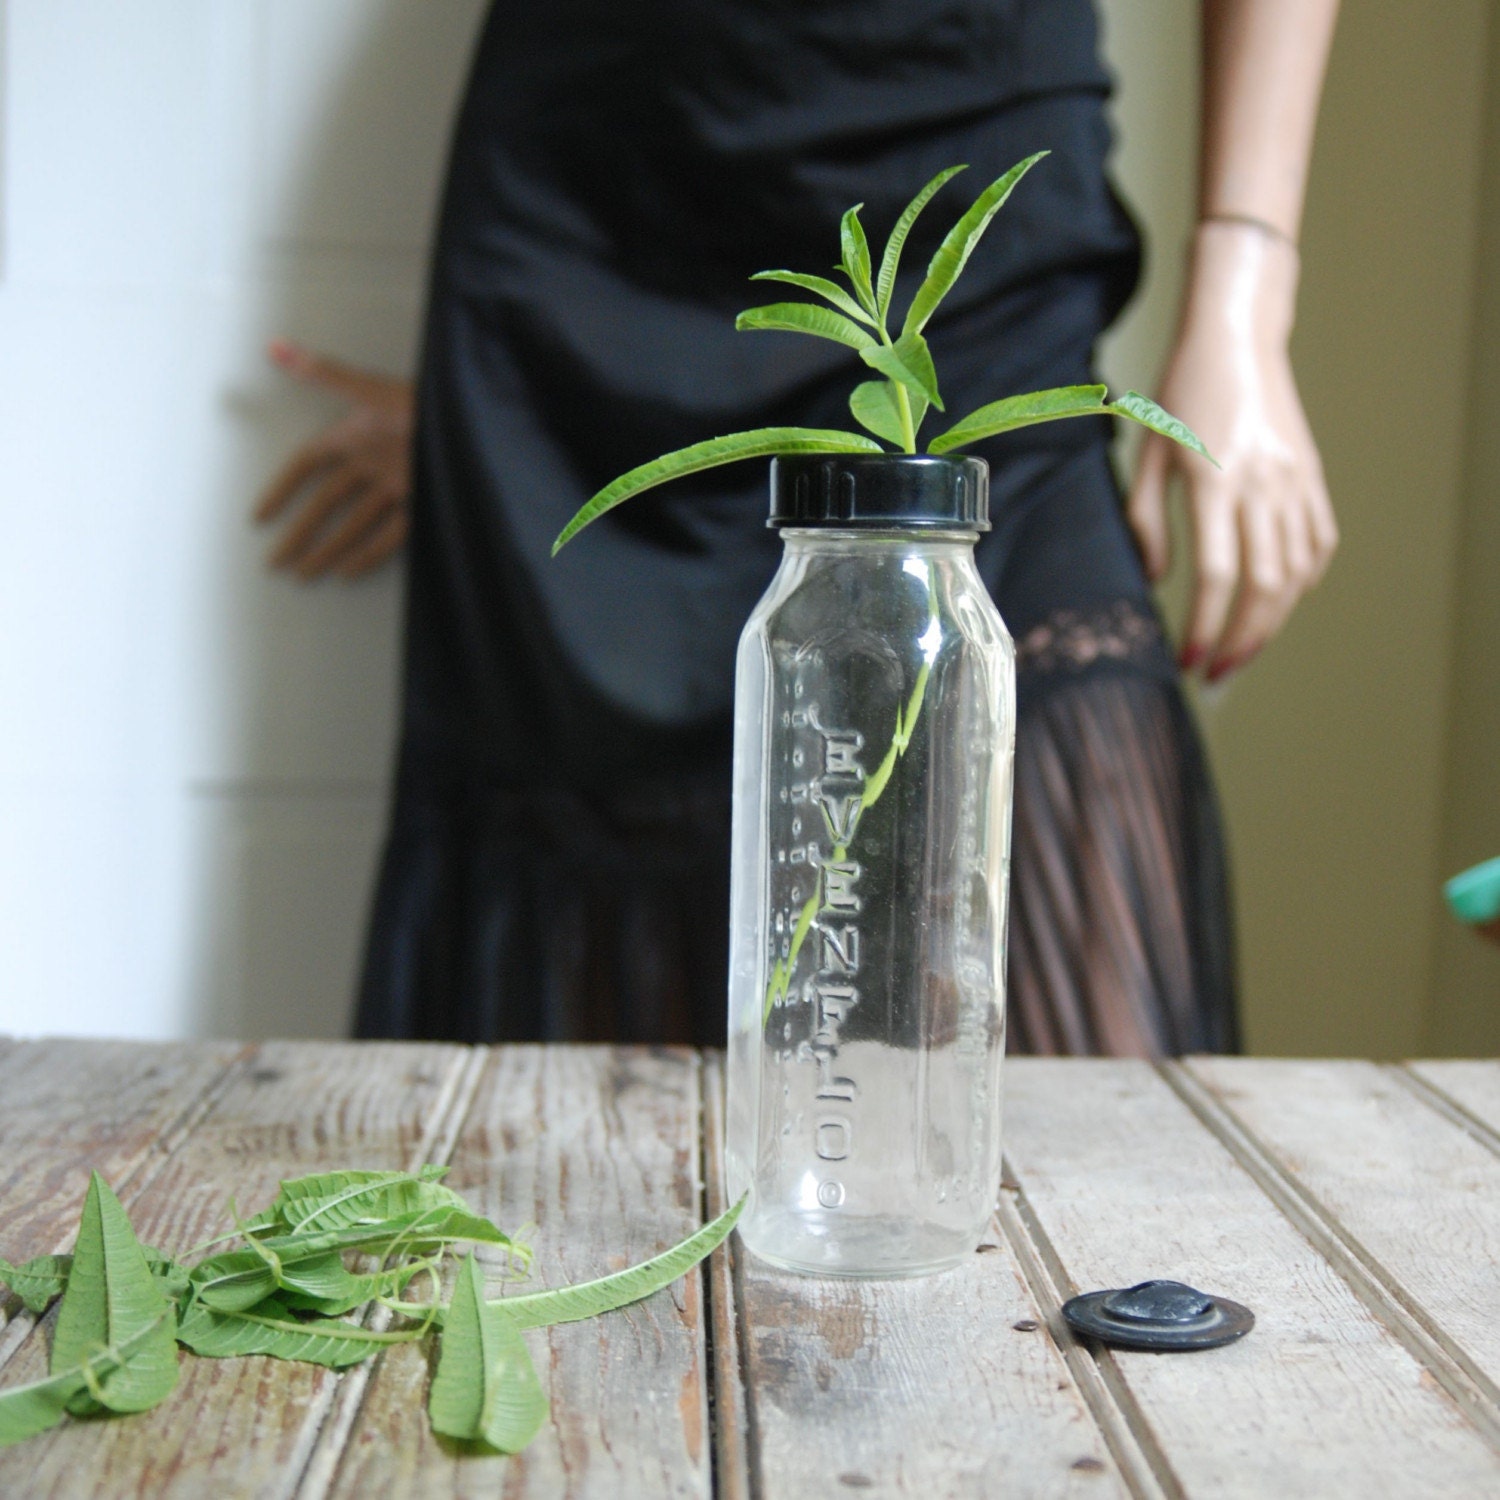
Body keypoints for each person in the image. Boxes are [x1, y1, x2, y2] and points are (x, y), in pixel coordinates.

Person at [256, 0, 1339, 1056]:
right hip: (597, 196)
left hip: (971, 201)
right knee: (599, 1148)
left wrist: (1246, 291)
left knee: (1110, 1100)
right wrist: (488, 400)